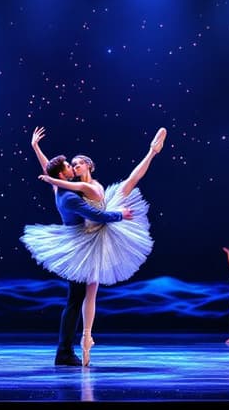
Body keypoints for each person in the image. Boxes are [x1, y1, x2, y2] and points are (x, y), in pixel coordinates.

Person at [20, 126, 139, 366]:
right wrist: (120, 215)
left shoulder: (59, 187)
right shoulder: (70, 196)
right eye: (68, 167)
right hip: (79, 247)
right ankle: (63, 353)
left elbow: (49, 169)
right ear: (63, 174)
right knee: (74, 301)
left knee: (75, 300)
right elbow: (98, 215)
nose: (71, 168)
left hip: (75, 243)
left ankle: (65, 350)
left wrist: (36, 147)